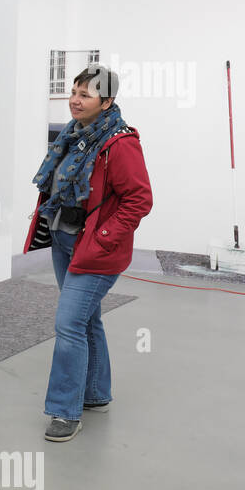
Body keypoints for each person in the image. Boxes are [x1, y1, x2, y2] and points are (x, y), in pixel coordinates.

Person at [22, 65, 152, 442]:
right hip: (65, 241)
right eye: (74, 92)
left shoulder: (120, 142)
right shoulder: (74, 133)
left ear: (107, 101)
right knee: (86, 320)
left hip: (95, 251)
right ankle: (95, 392)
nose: (75, 101)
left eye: (85, 95)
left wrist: (105, 237)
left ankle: (65, 411)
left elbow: (139, 200)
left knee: (68, 325)